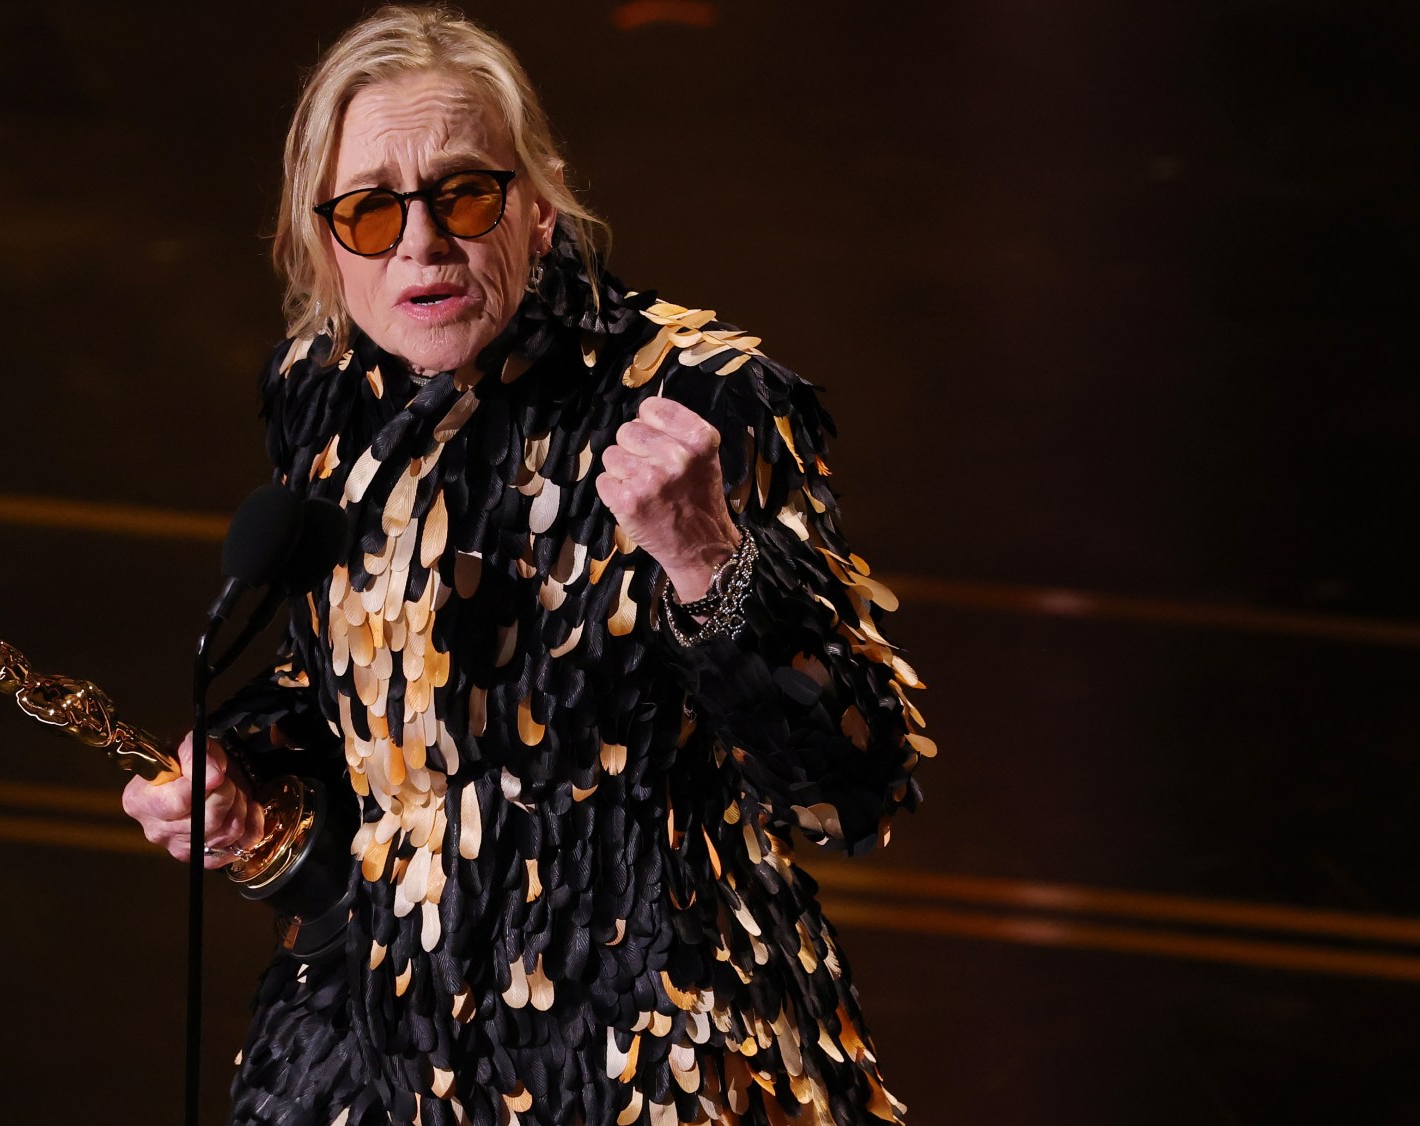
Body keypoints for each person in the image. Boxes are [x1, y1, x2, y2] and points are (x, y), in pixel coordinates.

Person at [121, 7, 933, 1124]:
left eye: (463, 194)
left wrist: (710, 563)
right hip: (384, 1043)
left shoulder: (698, 398)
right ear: (324, 245)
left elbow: (855, 781)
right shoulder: (327, 392)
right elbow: (347, 688)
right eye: (369, 210)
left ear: (538, 207)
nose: (420, 244)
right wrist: (239, 770)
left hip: (648, 1055)